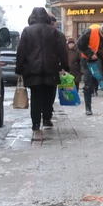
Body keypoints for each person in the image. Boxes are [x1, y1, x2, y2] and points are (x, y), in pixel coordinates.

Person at [15, 7, 70, 138]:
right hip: (51, 69)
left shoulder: (27, 31)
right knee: (49, 96)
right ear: (46, 17)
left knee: (36, 97)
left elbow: (21, 51)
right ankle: (46, 118)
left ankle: (35, 124)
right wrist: (64, 65)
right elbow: (62, 50)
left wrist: (19, 68)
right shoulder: (54, 32)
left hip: (33, 70)